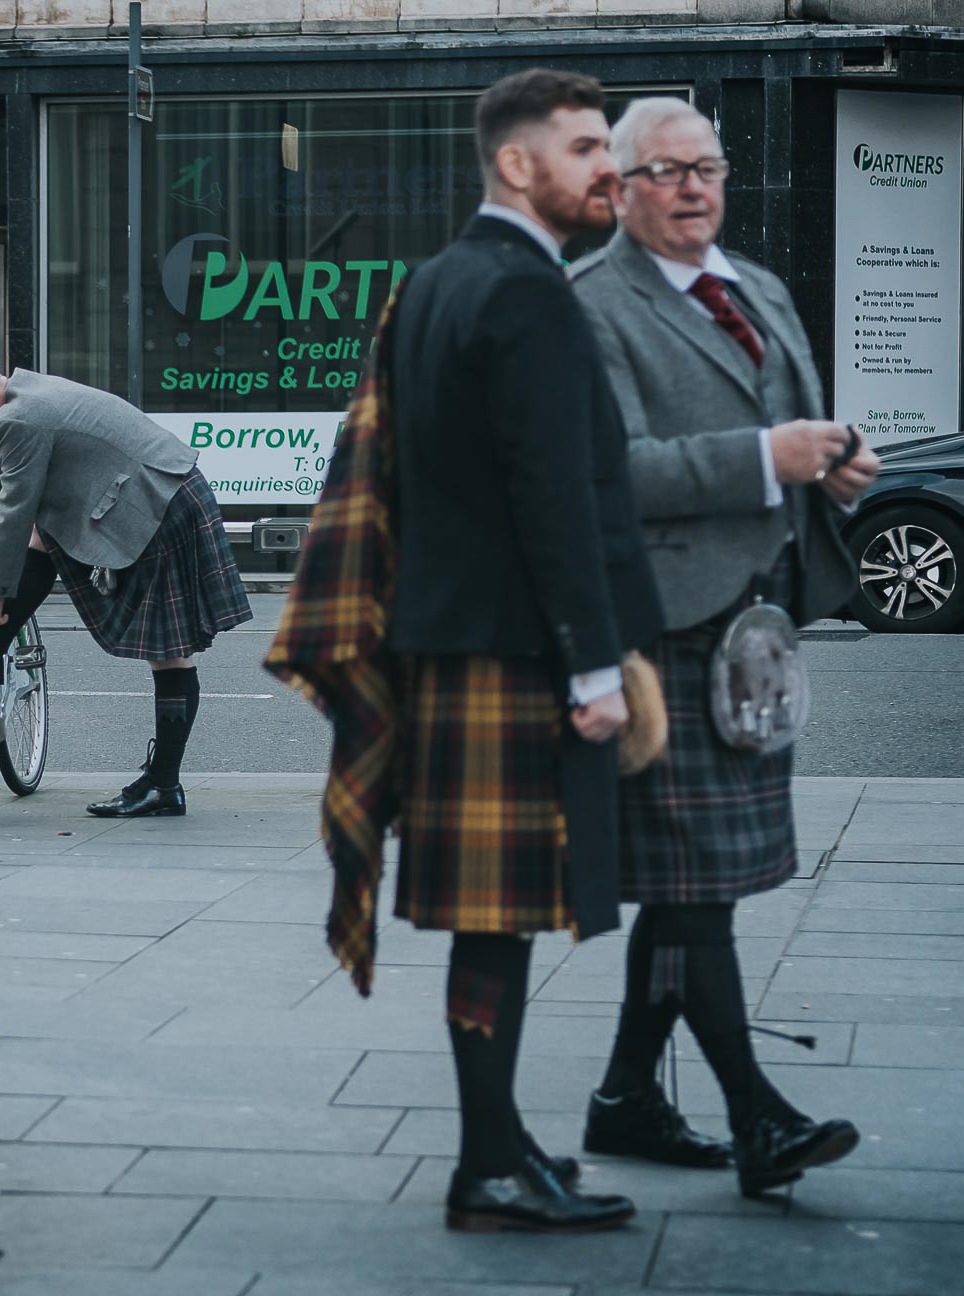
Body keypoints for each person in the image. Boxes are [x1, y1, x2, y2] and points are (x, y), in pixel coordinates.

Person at [569, 98, 876, 1197]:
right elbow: (608, 469)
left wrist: (831, 458)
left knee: (693, 886)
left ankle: (625, 1100)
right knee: (696, 885)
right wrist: (764, 455)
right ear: (620, 185)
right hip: (661, 632)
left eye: (710, 167)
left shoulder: (757, 286)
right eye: (669, 172)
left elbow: (795, 422)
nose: (696, 187)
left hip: (754, 633)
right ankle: (759, 1119)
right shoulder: (590, 308)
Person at [385, 68, 664, 1232]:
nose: (613, 167)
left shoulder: (437, 284)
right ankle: (488, 1169)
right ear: (517, 162)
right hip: (515, 656)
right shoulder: (527, 294)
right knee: (497, 922)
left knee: (487, 922)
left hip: (456, 649)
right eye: (590, 147)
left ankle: (495, 1152)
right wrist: (597, 667)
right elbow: (552, 494)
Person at [0, 362, 251, 817]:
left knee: (169, 650)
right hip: (167, 490)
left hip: (157, 505)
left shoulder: (16, 418)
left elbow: (14, 508)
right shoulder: (30, 390)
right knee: (46, 541)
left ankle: (163, 785)